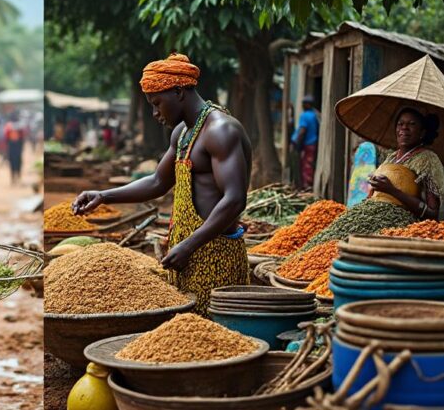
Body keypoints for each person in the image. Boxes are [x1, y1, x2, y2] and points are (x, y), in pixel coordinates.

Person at [73, 53, 252, 316]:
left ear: (179, 92)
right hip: (186, 253)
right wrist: (103, 195)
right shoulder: (182, 133)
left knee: (215, 336)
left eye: (157, 103)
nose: (155, 113)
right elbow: (158, 181)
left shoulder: (220, 130)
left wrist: (189, 245)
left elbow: (235, 199)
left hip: (217, 253)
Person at [367, 107, 444, 220]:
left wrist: (392, 191)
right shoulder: (391, 158)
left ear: (422, 132)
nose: (404, 127)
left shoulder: (428, 160)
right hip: (375, 217)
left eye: (411, 124)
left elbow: (432, 214)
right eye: (400, 124)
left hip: (405, 224)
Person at [291, 95, 320, 191]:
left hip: (307, 144)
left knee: (305, 166)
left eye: (304, 104)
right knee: (309, 164)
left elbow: (302, 130)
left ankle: (306, 186)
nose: (302, 105)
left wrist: (297, 145)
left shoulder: (305, 115)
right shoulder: (314, 115)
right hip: (313, 144)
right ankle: (307, 185)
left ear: (308, 104)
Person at [5, 113, 25, 186]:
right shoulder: (20, 125)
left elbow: (6, 138)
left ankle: (13, 178)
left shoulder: (8, 126)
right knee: (18, 162)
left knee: (12, 163)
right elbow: (22, 138)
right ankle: (17, 177)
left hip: (12, 146)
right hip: (17, 146)